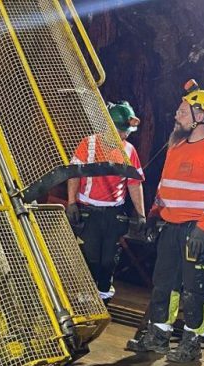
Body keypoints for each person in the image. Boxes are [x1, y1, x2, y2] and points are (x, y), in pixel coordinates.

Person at [126, 84, 204, 363]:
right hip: (171, 228)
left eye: (184, 110)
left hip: (198, 230)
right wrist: (153, 213)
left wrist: (203, 228)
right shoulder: (176, 146)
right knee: (164, 284)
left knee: (196, 288)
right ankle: (159, 336)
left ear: (202, 116)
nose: (177, 114)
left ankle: (192, 342)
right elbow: (165, 184)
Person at [66, 101, 146, 304]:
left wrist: (141, 214)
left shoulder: (129, 150)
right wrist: (71, 203)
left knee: (109, 260)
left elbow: (134, 184)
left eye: (127, 132)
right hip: (89, 210)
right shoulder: (89, 144)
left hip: (114, 213)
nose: (125, 135)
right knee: (90, 256)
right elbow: (74, 174)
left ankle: (103, 298)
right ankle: (84, 298)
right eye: (121, 131)